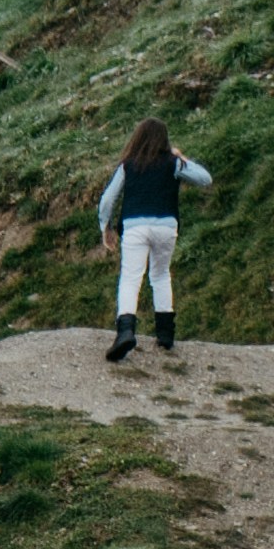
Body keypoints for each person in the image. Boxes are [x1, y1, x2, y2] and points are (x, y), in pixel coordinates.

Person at [95, 118, 210, 364]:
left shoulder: (128, 165)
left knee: (130, 278)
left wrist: (105, 226)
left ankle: (125, 331)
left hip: (135, 227)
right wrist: (182, 157)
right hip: (166, 226)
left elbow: (107, 200)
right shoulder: (174, 164)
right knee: (160, 275)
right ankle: (165, 335)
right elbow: (205, 179)